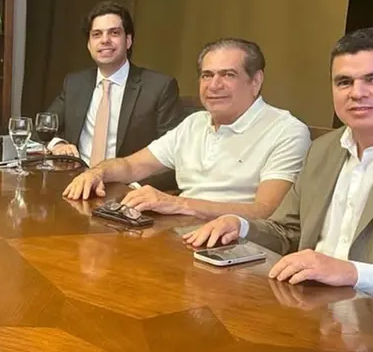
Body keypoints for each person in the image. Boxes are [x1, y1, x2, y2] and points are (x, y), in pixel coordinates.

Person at [185, 27, 373, 333]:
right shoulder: (324, 150)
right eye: (344, 82)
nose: (357, 92)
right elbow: (286, 230)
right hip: (314, 316)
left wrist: (351, 273)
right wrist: (240, 225)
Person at [64, 38, 310, 220]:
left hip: (237, 249)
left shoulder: (286, 131)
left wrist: (177, 203)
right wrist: (97, 173)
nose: (214, 85)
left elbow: (266, 211)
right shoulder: (195, 123)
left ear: (255, 81)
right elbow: (131, 166)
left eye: (228, 75)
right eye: (206, 75)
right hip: (179, 232)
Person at [45, 1, 182, 167]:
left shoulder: (159, 87)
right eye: (96, 34)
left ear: (128, 41)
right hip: (76, 181)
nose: (105, 40)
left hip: (127, 185)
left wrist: (136, 187)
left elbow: (173, 152)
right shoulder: (75, 83)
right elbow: (42, 127)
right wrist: (58, 145)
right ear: (89, 45)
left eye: (114, 33)